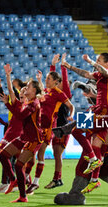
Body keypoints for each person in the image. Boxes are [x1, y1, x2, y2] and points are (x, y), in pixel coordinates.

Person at [61, 50, 108, 194]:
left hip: (104, 112)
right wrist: (70, 67)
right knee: (96, 146)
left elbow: (105, 72)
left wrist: (90, 61)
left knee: (75, 129)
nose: (97, 63)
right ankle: (94, 180)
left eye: (99, 60)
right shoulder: (99, 75)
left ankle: (93, 159)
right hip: (99, 111)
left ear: (106, 63)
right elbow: (86, 74)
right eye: (97, 60)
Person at [26, 54, 75, 193]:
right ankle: (37, 180)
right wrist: (43, 77)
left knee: (56, 153)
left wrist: (61, 65)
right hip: (49, 127)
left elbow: (61, 80)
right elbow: (45, 91)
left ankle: (56, 178)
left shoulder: (62, 92)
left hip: (60, 126)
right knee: (50, 153)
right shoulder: (49, 92)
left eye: (49, 79)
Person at [0, 64, 43, 202]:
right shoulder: (28, 102)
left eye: (28, 86)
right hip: (24, 137)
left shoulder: (33, 104)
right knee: (3, 155)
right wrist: (7, 77)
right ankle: (13, 181)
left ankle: (23, 196)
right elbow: (18, 113)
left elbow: (20, 116)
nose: (25, 88)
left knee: (18, 165)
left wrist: (7, 104)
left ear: (34, 90)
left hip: (34, 139)